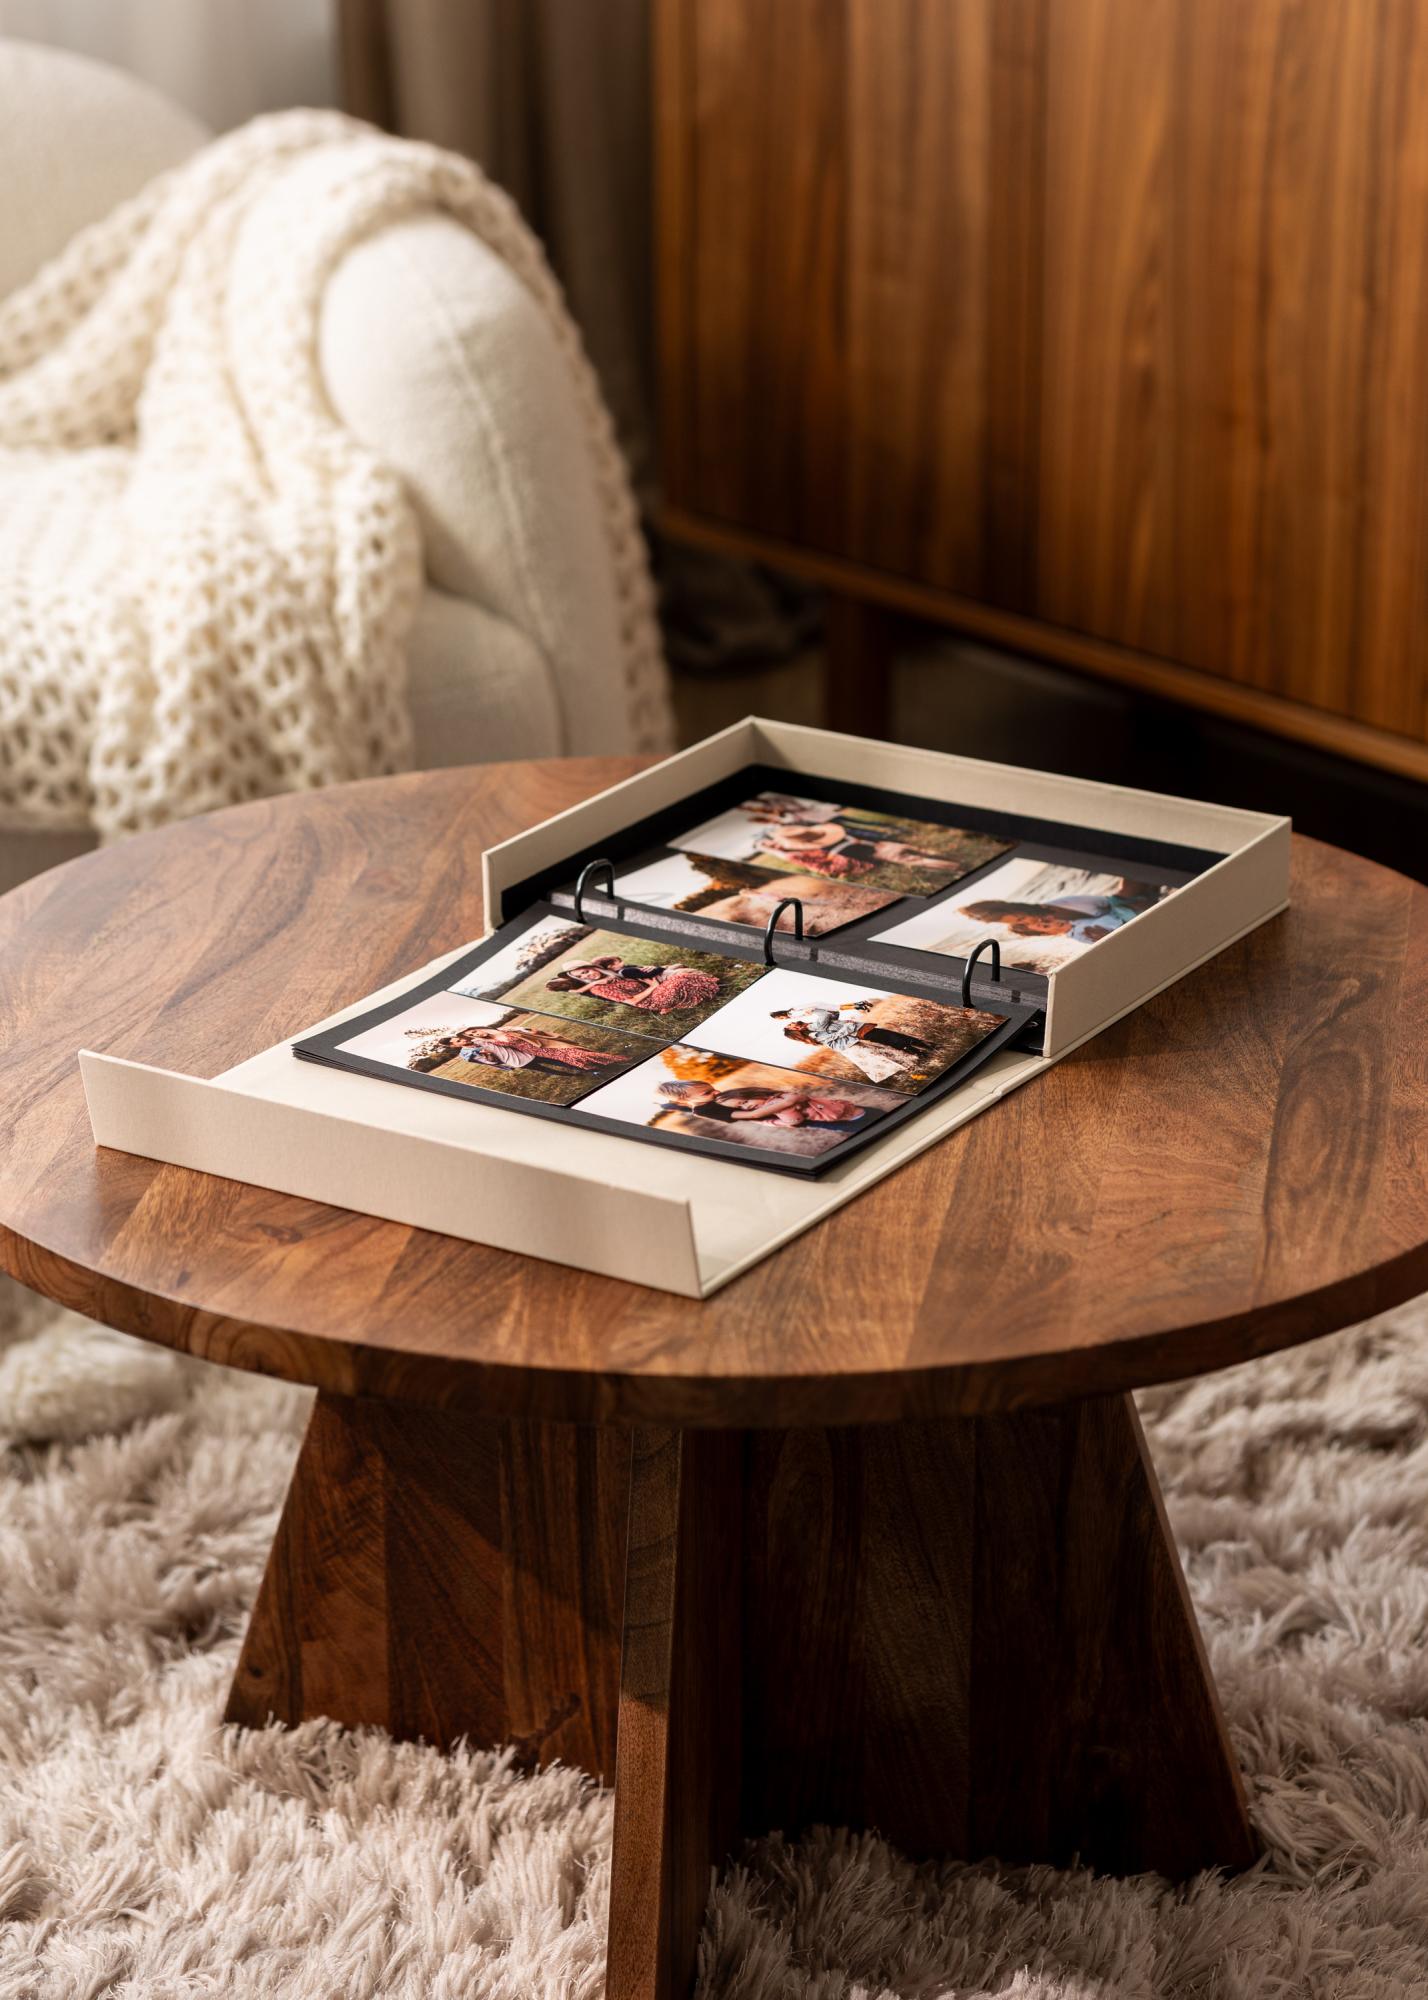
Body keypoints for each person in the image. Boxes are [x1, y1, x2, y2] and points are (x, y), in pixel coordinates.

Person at [960, 877, 1163, 946]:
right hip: (1123, 914)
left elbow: (1108, 904)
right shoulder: (1062, 928)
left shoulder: (1056, 907)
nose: (1029, 921)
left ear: (1019, 907)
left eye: (1022, 917)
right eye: (1020, 922)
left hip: (1119, 904)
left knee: (1135, 883)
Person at [655, 1079, 872, 1132]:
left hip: (776, 1103)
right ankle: (855, 1126)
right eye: (707, 1092)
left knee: (828, 1107)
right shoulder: (704, 1109)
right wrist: (786, 1103)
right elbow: (752, 1115)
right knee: (823, 1121)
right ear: (684, 1099)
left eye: (712, 1088)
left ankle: (864, 1114)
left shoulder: (717, 1097)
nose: (716, 1092)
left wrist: (779, 1097)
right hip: (778, 1117)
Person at [545, 953, 722, 1014]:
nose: (589, 975)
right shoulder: (599, 988)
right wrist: (653, 987)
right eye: (583, 976)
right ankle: (711, 989)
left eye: (586, 970)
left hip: (653, 988)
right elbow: (632, 1001)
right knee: (679, 979)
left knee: (677, 970)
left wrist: (652, 972)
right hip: (651, 1000)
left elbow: (638, 972)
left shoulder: (613, 974)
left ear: (592, 967)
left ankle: (704, 987)